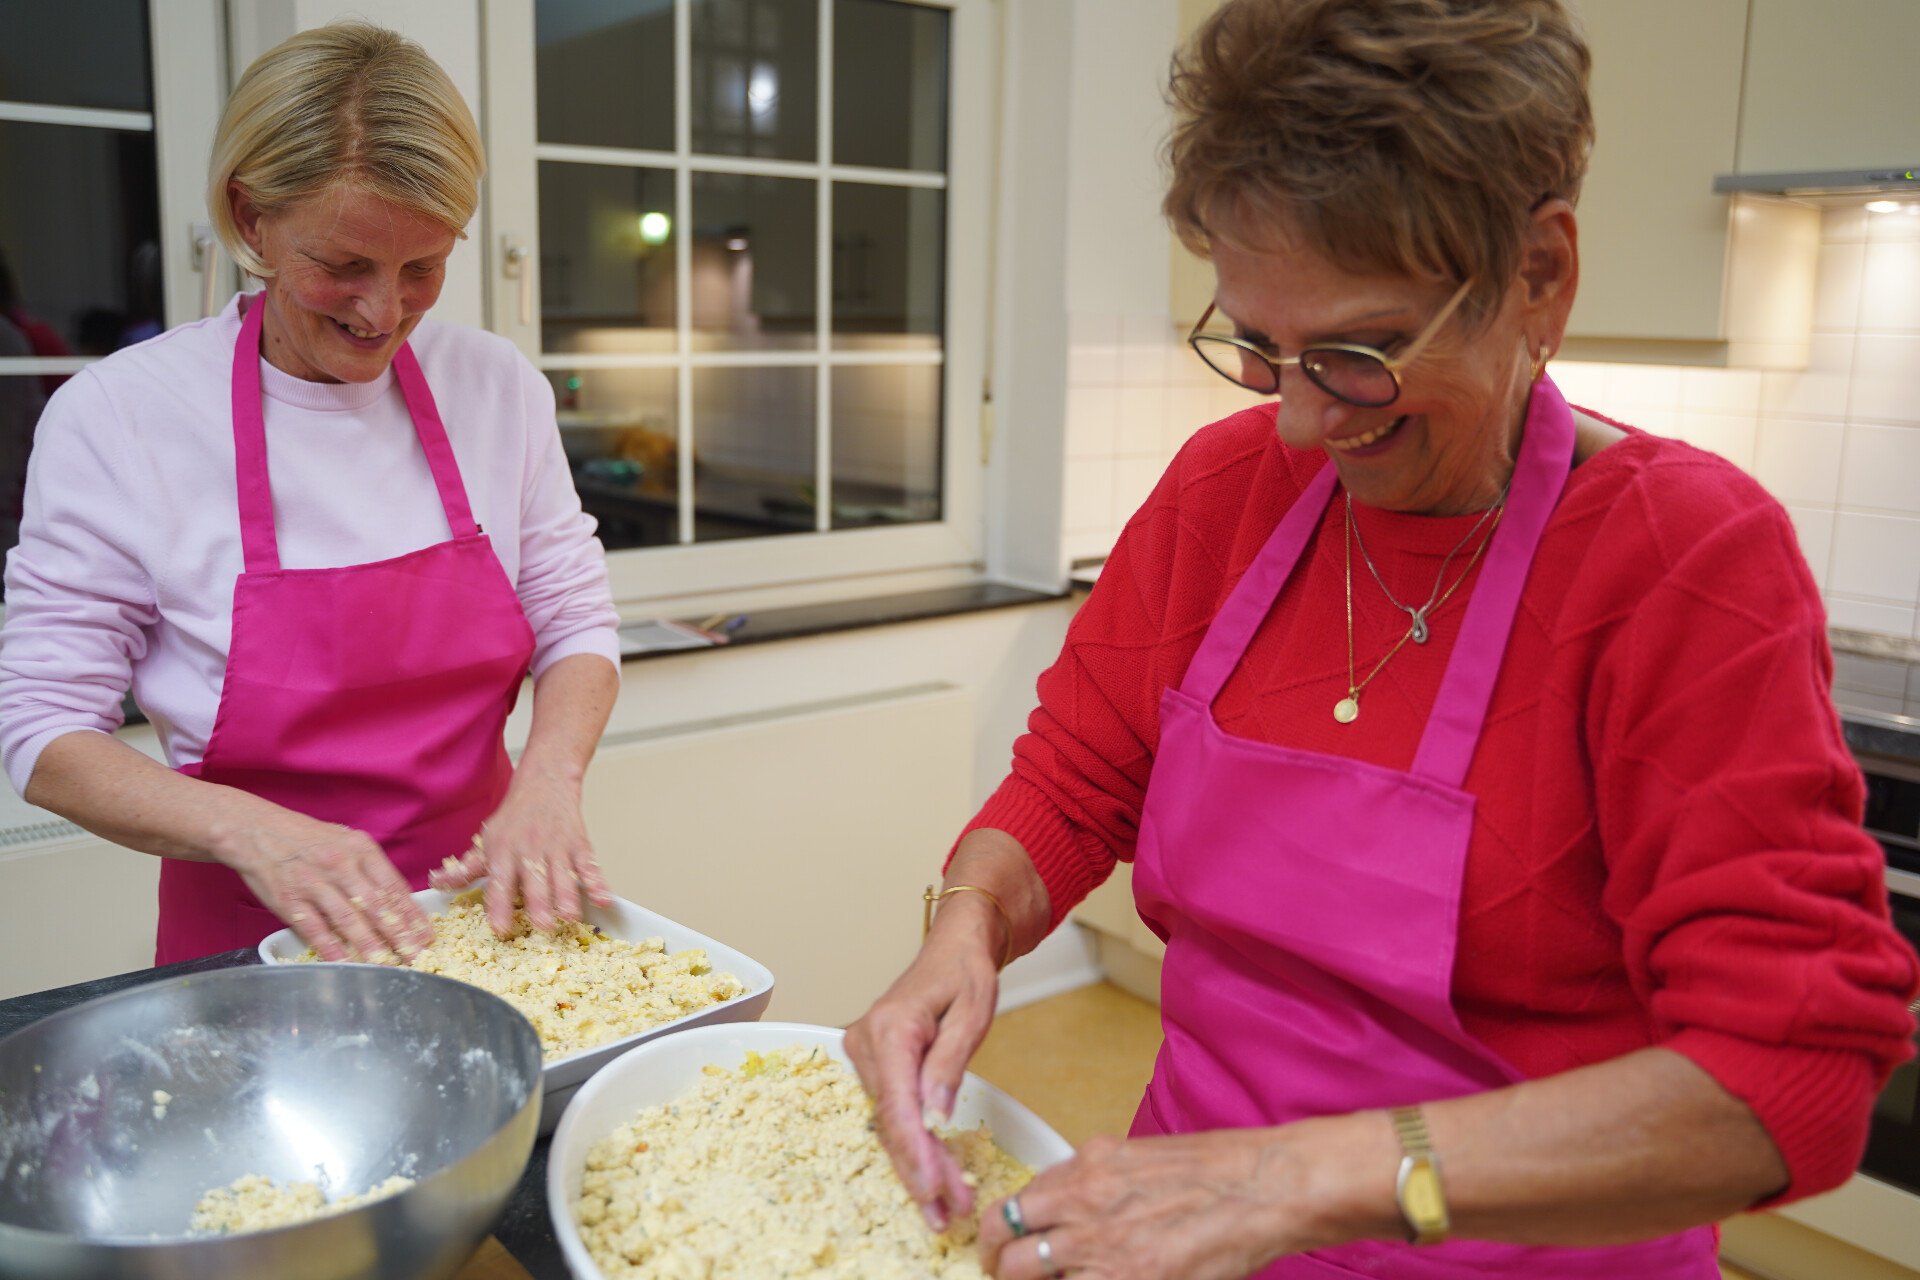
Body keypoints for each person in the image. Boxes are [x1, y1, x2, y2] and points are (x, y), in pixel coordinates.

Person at [847, 2, 1920, 1277]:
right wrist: (964, 924)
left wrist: (1294, 1175)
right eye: (1257, 344)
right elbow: (1078, 776)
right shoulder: (1221, 491)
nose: (1299, 423)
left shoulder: (1681, 562)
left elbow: (1787, 1074)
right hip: (1185, 1234)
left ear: (1539, 275)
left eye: (1355, 354)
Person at [0, 22, 622, 966]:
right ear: (251, 219)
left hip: (485, 914)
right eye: (344, 266)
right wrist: (253, 833)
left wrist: (549, 778)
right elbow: (43, 732)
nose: (383, 313)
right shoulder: (121, 416)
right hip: (255, 939)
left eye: (423, 268)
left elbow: (575, 616)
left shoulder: (495, 386)